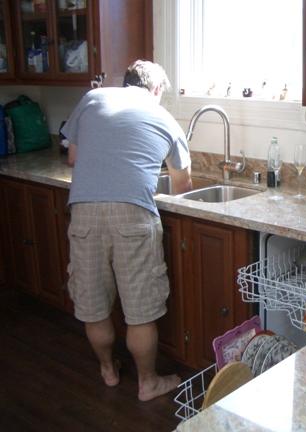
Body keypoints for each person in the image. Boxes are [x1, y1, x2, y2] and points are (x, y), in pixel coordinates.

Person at [63, 60, 192, 401]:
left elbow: (73, 157)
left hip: (85, 210)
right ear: (157, 89)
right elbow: (183, 186)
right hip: (133, 214)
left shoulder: (93, 98)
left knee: (94, 305)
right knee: (140, 311)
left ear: (126, 83)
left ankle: (108, 370)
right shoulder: (165, 119)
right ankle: (147, 383)